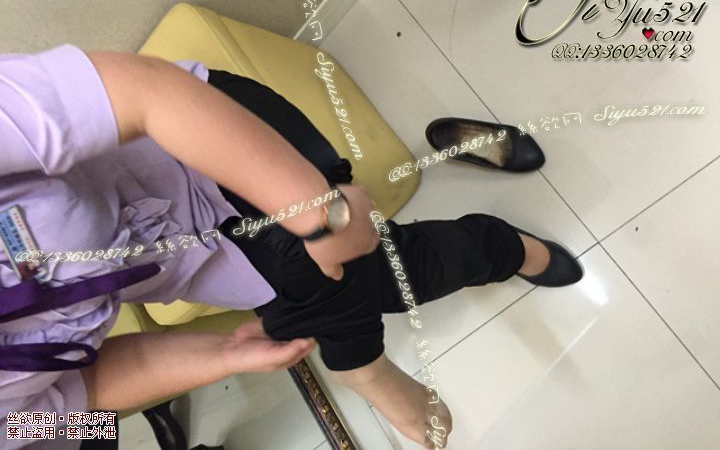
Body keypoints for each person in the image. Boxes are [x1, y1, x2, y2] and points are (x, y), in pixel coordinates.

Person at [0, 44, 582, 449]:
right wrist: (225, 356)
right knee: (370, 279)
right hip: (202, 259)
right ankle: (499, 248)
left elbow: (140, 90)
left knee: (338, 269)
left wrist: (314, 211)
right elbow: (85, 398)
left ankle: (366, 364)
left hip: (201, 140)